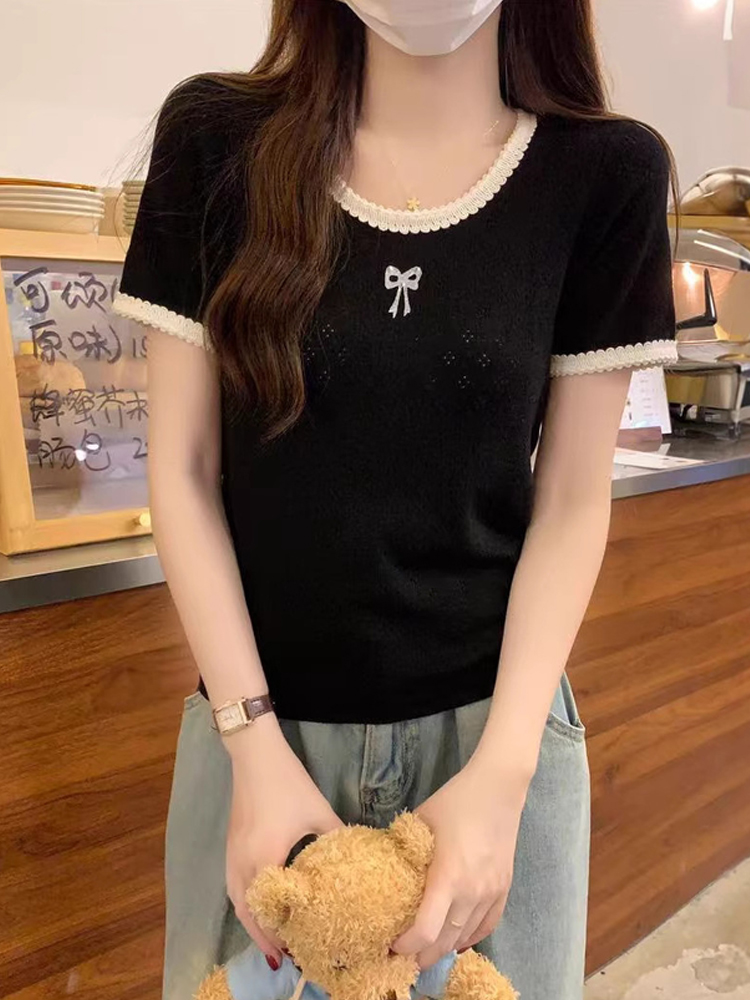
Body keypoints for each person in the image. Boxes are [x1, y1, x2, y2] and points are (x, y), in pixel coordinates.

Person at [112, 2, 679, 998]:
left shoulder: (606, 174)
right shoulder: (214, 141)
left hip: (495, 739)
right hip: (260, 735)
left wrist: (505, 776)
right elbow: (185, 473)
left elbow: (571, 501)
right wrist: (253, 747)